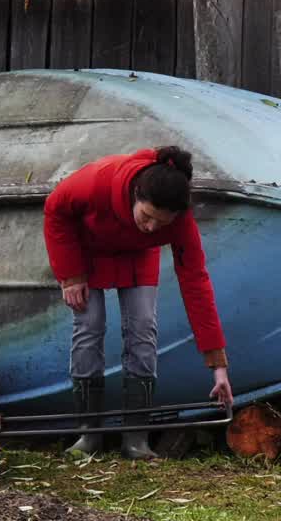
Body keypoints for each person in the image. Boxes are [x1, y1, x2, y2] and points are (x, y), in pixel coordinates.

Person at [42, 145, 233, 460]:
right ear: (135, 195)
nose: (151, 227)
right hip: (88, 254)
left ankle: (136, 440)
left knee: (143, 328)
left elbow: (196, 283)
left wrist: (218, 366)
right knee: (89, 325)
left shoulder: (178, 223)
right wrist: (70, 275)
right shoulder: (96, 181)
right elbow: (55, 210)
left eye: (161, 223)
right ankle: (89, 436)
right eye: (146, 216)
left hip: (139, 257)